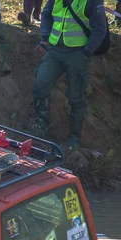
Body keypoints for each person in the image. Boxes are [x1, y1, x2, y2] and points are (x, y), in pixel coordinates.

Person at [32, 0, 108, 151]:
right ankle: (41, 127)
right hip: (54, 50)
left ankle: (74, 137)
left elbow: (100, 28)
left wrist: (87, 51)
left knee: (76, 96)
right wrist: (45, 38)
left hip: (78, 53)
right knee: (41, 85)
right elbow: (46, 15)